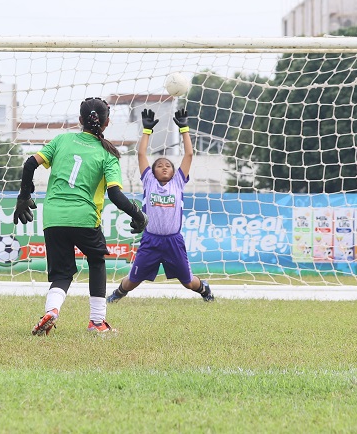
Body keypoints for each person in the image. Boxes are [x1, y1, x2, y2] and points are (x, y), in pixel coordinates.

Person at [15, 97, 148, 335]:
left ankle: (52, 311)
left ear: (80, 120)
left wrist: (24, 196)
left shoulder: (62, 140)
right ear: (106, 123)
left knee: (62, 272)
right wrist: (139, 216)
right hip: (84, 217)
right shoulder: (108, 154)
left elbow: (29, 164)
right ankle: (97, 322)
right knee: (96, 261)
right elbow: (116, 195)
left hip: (53, 217)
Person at [106, 106, 214, 303]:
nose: (164, 167)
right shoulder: (149, 181)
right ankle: (116, 295)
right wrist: (147, 130)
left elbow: (188, 155)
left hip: (173, 241)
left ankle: (205, 289)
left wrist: (184, 129)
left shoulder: (178, 182)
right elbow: (141, 155)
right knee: (133, 280)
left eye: (168, 166)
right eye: (159, 166)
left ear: (174, 172)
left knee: (188, 282)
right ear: (153, 172)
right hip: (151, 241)